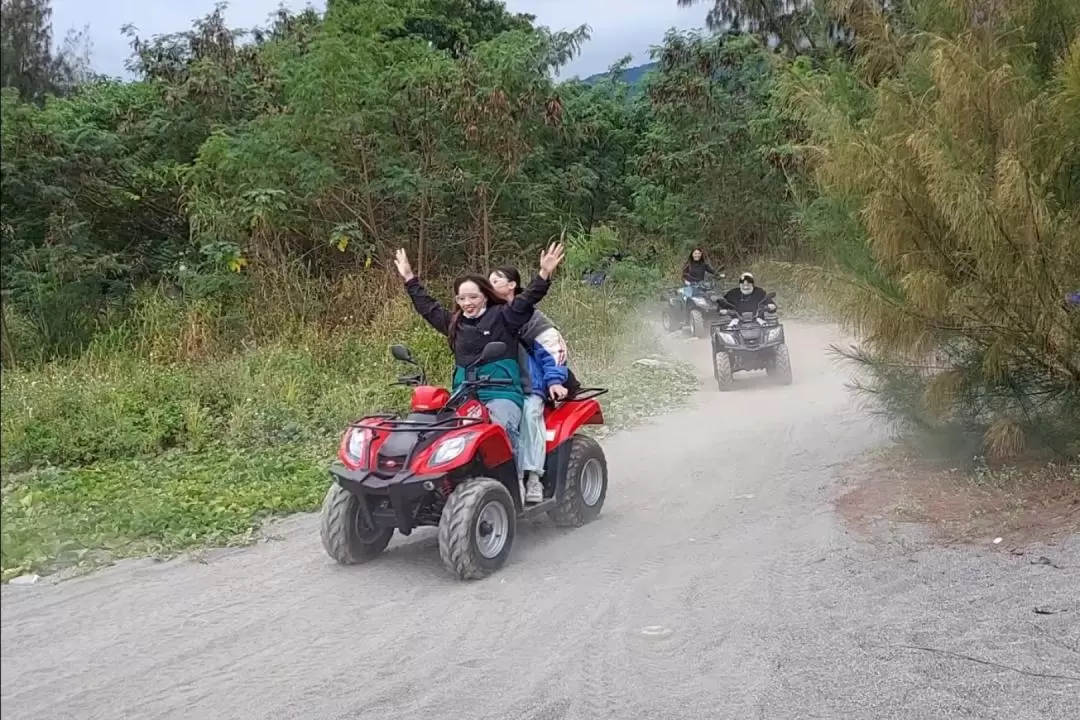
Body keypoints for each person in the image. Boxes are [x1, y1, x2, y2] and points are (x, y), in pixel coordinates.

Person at [393, 244, 566, 464]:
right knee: (439, 435)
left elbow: (527, 299)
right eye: (461, 298)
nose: (467, 303)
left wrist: (543, 274)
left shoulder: (505, 316)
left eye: (473, 297)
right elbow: (428, 307)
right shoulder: (454, 323)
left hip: (501, 394)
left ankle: (514, 481)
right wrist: (409, 278)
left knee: (499, 431)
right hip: (463, 394)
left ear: (485, 296)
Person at [490, 265, 580, 504]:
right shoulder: (485, 316)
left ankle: (531, 477)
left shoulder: (528, 316)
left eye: (497, 279)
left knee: (529, 415)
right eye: (488, 280)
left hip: (528, 384)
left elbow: (553, 348)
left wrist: (554, 381)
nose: (492, 283)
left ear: (512, 285)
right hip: (493, 385)